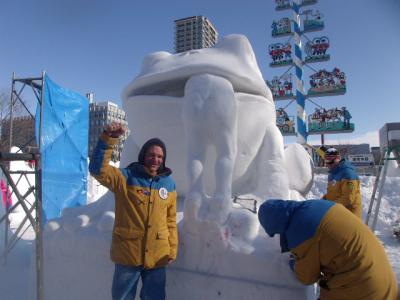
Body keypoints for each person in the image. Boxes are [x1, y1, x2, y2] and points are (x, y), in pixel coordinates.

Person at [89, 121, 178, 300]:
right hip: (128, 254)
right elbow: (97, 170)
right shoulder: (125, 178)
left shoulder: (168, 184)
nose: (156, 159)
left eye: (160, 156)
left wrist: (172, 248)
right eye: (151, 155)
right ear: (143, 155)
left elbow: (170, 220)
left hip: (158, 255)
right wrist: (110, 138)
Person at [258, 199, 398, 300]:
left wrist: (294, 263)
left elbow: (306, 276)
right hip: (381, 274)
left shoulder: (301, 230)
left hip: (364, 288)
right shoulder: (315, 206)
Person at [317, 146, 362, 218]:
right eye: (326, 162)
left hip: (349, 216)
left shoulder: (347, 174)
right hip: (337, 212)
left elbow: (348, 199)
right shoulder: (333, 173)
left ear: (337, 160)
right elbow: (332, 193)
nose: (327, 165)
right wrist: (322, 201)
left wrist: (328, 206)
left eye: (330, 162)